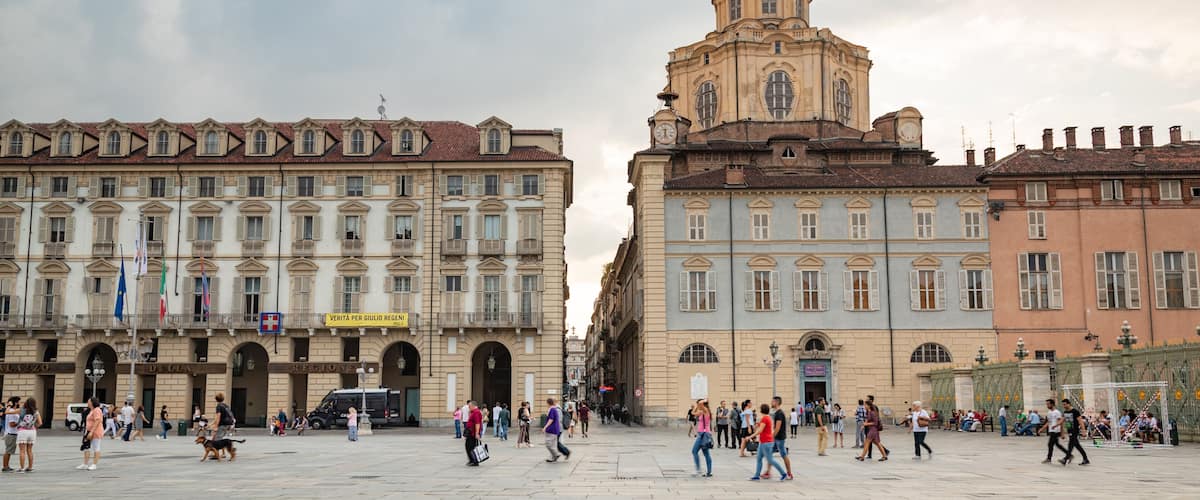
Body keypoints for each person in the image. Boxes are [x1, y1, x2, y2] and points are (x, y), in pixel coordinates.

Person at [749, 404, 787, 481]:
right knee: (759, 458)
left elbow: (760, 430)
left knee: (770, 460)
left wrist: (750, 436)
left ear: (761, 410)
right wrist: (757, 424)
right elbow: (761, 426)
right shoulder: (767, 418)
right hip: (763, 442)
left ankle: (783, 473)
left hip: (766, 442)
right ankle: (756, 475)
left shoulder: (765, 418)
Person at [1059, 399, 1090, 466]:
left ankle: (1065, 458)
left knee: (1070, 444)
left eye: (1065, 404)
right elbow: (1062, 421)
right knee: (1077, 445)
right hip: (1069, 430)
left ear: (1069, 404)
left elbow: (1080, 421)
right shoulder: (1065, 412)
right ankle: (1086, 459)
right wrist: (1060, 430)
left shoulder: (1075, 411)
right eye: (1063, 404)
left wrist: (1083, 431)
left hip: (1075, 430)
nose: (1064, 406)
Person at [769, 397, 793, 480]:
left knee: (783, 454)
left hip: (779, 438)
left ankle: (789, 473)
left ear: (776, 402)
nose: (771, 403)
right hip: (777, 437)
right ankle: (767, 472)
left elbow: (777, 427)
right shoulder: (777, 413)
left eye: (772, 401)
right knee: (770, 453)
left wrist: (772, 437)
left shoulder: (779, 413)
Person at [1039, 399, 1069, 464]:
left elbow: (1061, 422)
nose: (1047, 405)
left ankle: (1049, 458)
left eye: (1048, 404)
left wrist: (1062, 433)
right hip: (1051, 430)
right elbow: (1049, 422)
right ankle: (1069, 455)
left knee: (1050, 444)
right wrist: (1042, 428)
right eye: (1046, 404)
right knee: (1057, 444)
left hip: (1056, 430)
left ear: (1052, 404)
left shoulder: (1057, 412)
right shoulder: (1049, 412)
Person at [15, 397, 40, 473]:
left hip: (22, 431)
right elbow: (40, 423)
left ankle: (22, 468)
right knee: (29, 450)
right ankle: (30, 467)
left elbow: (7, 412)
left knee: (22, 451)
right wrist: (33, 426)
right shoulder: (36, 412)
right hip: (32, 431)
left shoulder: (22, 410)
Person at [79, 397, 104, 471]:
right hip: (88, 431)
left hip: (95, 432)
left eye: (89, 401)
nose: (87, 402)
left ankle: (94, 464)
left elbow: (97, 420)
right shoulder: (91, 410)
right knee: (86, 447)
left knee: (96, 447)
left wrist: (92, 431)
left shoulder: (97, 410)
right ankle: (85, 464)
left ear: (92, 402)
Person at [690, 399, 713, 477]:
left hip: (703, 434)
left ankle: (699, 470)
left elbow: (700, 403)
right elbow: (692, 413)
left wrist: (704, 400)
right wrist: (696, 406)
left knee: (694, 451)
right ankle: (708, 472)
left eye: (700, 404)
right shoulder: (702, 412)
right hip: (703, 434)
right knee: (706, 453)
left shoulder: (705, 410)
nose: (699, 405)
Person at [543, 397, 570, 462]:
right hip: (557, 428)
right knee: (555, 443)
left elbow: (557, 420)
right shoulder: (555, 408)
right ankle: (555, 455)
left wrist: (546, 427)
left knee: (553, 443)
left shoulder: (556, 409)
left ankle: (559, 454)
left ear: (554, 402)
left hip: (557, 428)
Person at [3, 396, 19, 472]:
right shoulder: (12, 411)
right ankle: (5, 467)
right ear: (15, 402)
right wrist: (19, 423)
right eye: (18, 401)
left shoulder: (11, 410)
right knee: (8, 451)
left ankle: (6, 466)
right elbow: (11, 424)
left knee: (9, 451)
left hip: (11, 433)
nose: (19, 403)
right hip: (11, 433)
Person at [464, 401, 483, 466]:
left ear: (473, 406)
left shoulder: (476, 412)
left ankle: (474, 461)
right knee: (469, 446)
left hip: (473, 433)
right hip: (471, 432)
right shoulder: (473, 412)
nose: (469, 408)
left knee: (470, 447)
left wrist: (477, 433)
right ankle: (472, 460)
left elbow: (477, 423)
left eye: (469, 406)